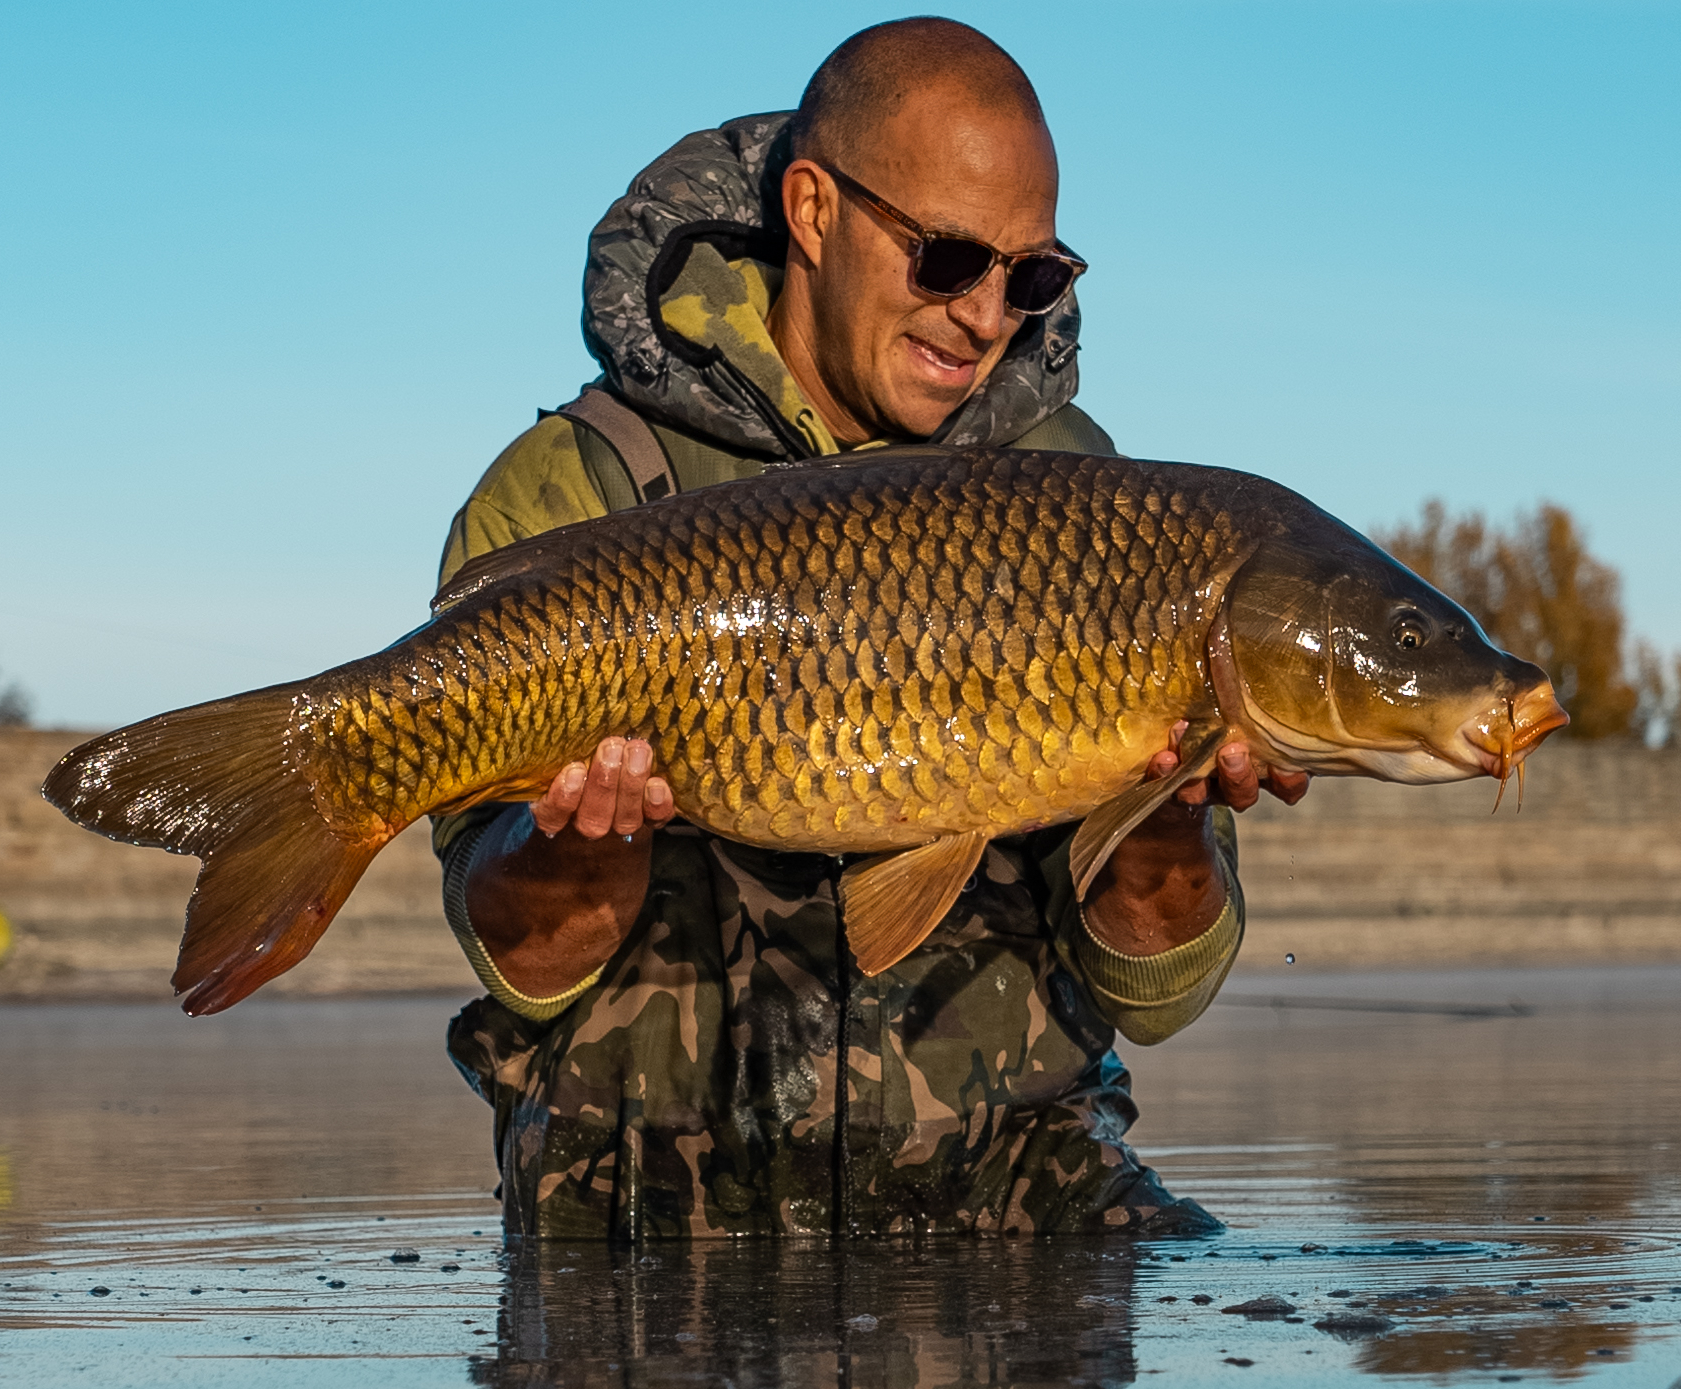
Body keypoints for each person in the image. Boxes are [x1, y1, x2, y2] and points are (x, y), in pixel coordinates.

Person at [433, 17, 1307, 1240]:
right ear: (811, 210)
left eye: (1033, 276)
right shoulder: (578, 487)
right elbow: (521, 958)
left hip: (1016, 1205)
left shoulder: (1094, 500)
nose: (986, 316)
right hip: (644, 1218)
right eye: (947, 260)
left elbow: (1154, 995)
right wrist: (580, 844)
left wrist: (1165, 822)